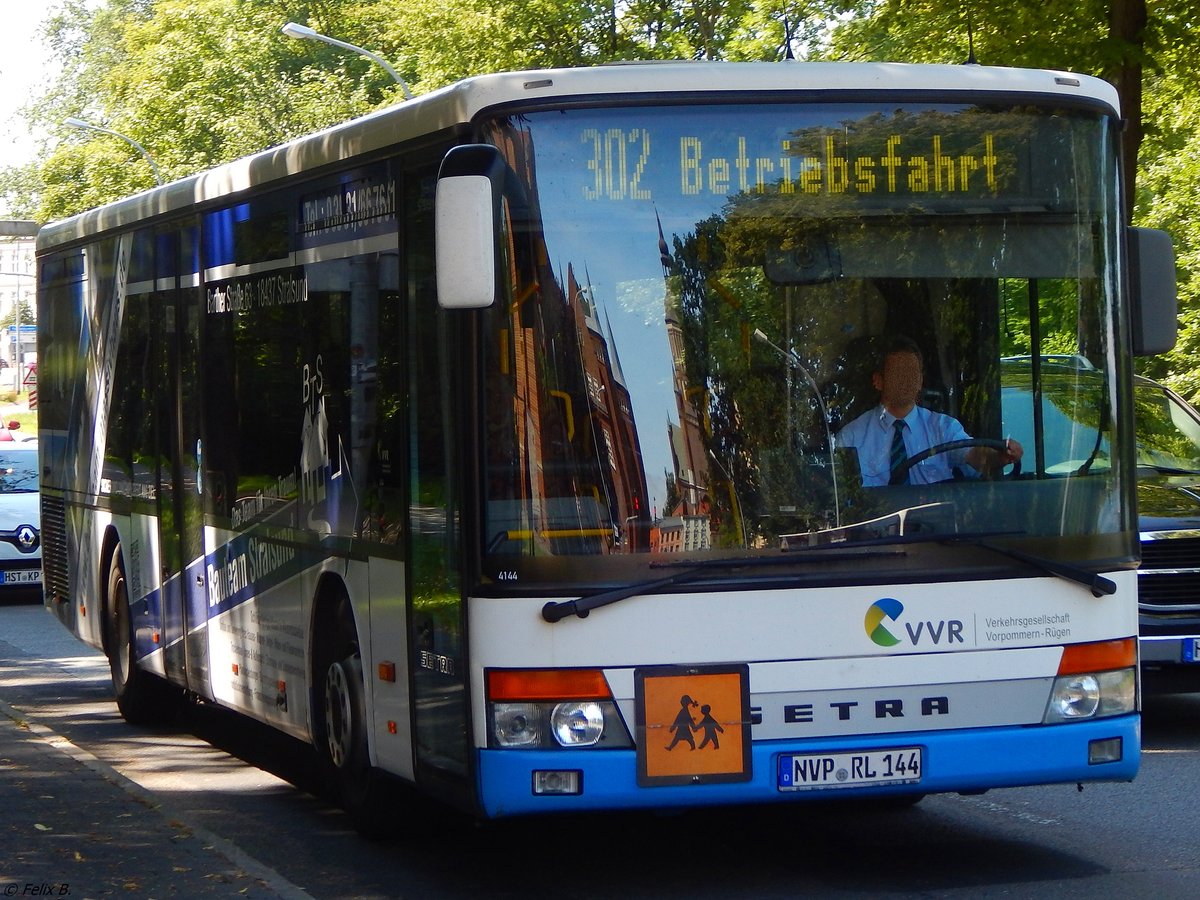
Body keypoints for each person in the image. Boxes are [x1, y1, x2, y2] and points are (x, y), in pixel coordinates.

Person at [836, 336, 1023, 487]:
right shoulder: (851, 437)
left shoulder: (943, 428)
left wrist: (1000, 456)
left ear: (920, 382)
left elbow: (975, 455)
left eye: (912, 374)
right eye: (898, 374)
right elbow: (843, 501)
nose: (906, 381)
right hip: (878, 532)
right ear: (878, 380)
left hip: (935, 530)